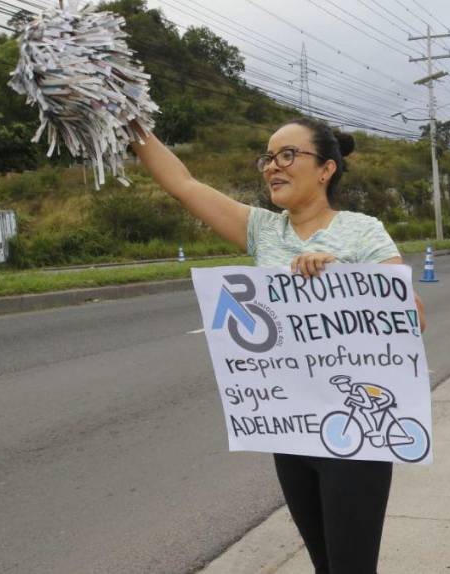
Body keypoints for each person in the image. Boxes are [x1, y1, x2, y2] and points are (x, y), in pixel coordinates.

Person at [131, 117, 426, 573]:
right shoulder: (263, 230)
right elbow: (183, 184)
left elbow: (412, 317)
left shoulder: (362, 230)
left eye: (288, 155)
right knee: (324, 565)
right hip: (292, 434)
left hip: (358, 443)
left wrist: (339, 274)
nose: (273, 166)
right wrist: (128, 122)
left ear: (326, 169)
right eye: (268, 158)